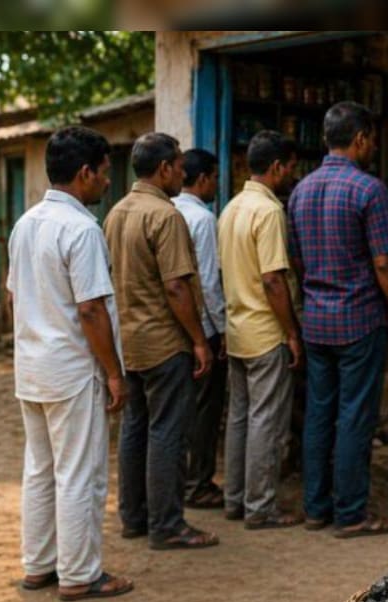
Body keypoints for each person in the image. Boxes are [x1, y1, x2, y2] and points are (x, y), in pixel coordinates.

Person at [7, 126, 133, 601]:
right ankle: (80, 574)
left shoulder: (26, 224)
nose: (106, 182)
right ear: (84, 174)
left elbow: (14, 297)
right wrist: (114, 372)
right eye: (103, 173)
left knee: (40, 469)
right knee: (79, 471)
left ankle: (39, 565)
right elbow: (91, 309)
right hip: (72, 368)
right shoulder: (81, 229)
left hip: (33, 366)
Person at [288, 100, 388, 537]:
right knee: (355, 415)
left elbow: (298, 261)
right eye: (371, 140)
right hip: (359, 320)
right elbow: (384, 263)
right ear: (360, 139)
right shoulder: (369, 190)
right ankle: (351, 514)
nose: (371, 147)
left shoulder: (300, 190)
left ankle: (316, 507)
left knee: (319, 414)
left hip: (317, 322)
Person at [104, 132, 218, 551]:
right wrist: (199, 341)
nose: (183, 172)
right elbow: (176, 287)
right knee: (169, 431)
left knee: (135, 428)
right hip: (165, 341)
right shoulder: (166, 216)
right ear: (165, 168)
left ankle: (134, 517)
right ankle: (168, 525)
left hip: (129, 339)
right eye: (179, 164)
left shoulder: (117, 211)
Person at [216, 130, 304, 529]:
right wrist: (291, 332)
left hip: (237, 328)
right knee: (266, 422)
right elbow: (273, 280)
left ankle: (235, 499)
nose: (292, 174)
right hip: (265, 331)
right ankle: (260, 507)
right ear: (276, 167)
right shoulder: (268, 212)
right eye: (290, 167)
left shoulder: (232, 207)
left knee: (239, 418)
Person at [172, 148, 228, 510]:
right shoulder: (202, 219)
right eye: (215, 178)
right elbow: (207, 281)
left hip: (172, 326)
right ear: (204, 178)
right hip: (201, 327)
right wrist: (219, 329)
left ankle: (182, 483)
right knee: (205, 412)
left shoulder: (169, 210)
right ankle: (199, 483)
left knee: (179, 412)